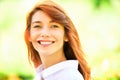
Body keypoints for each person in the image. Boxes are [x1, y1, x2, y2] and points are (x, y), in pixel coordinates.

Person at [24, 0, 91, 80]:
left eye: (54, 26)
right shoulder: (42, 74)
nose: (45, 33)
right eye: (37, 26)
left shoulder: (70, 77)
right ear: (29, 35)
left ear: (66, 35)